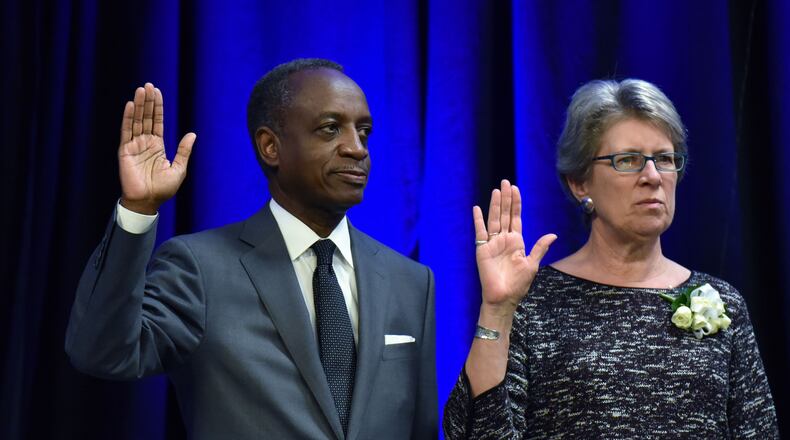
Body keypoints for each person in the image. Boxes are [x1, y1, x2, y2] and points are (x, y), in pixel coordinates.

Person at [65, 58, 437, 439]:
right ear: (270, 147)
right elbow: (101, 352)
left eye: (364, 132)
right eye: (330, 129)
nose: (357, 149)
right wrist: (138, 209)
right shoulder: (200, 269)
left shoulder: (410, 281)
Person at [443, 79, 778, 438]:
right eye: (628, 160)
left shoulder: (723, 302)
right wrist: (496, 311)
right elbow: (473, 432)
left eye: (664, 159)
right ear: (579, 182)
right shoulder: (533, 301)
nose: (652, 176)